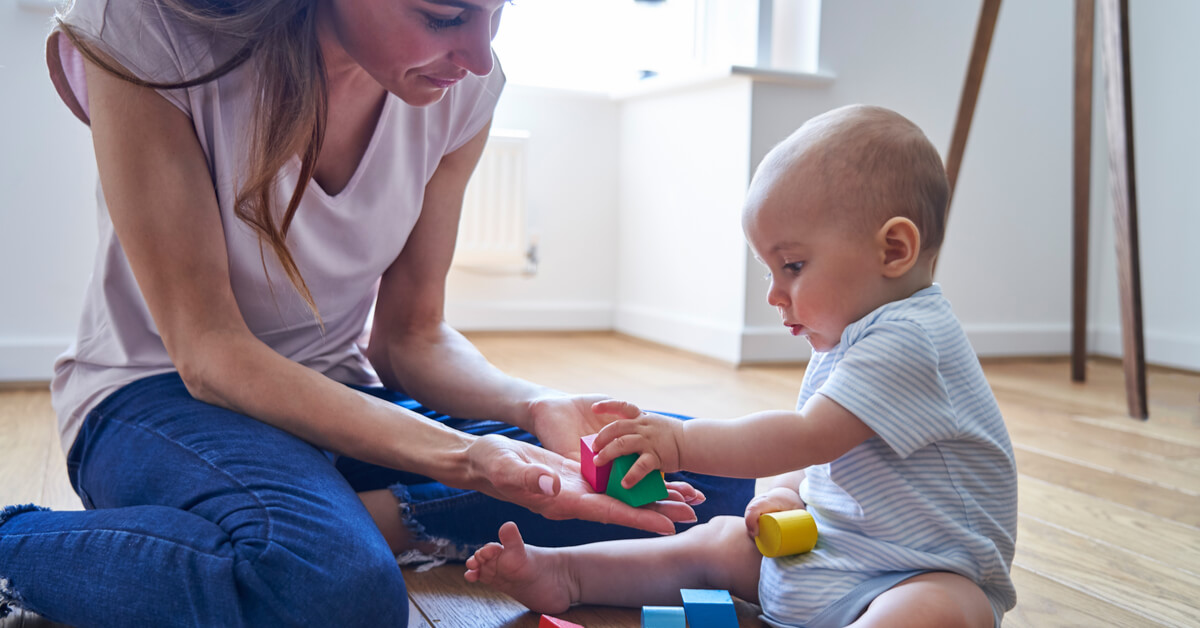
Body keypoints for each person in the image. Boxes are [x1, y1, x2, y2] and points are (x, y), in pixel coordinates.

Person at [0, 0, 754, 625]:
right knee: (333, 590)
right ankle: (15, 543)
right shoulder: (145, 29)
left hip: (338, 392)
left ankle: (346, 516)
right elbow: (209, 352)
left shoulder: (463, 95)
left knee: (703, 487)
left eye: (495, 14)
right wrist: (469, 461)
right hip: (156, 395)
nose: (479, 57)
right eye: (444, 15)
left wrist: (538, 403)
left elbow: (410, 338)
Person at [464, 104, 1018, 627]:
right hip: (830, 556)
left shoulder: (911, 340)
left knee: (936, 609)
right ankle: (568, 573)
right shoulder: (855, 339)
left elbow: (809, 436)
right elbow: (820, 455)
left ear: (894, 250)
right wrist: (781, 491)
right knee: (717, 541)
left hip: (914, 576)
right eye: (770, 270)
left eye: (794, 266)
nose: (776, 294)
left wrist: (680, 442)